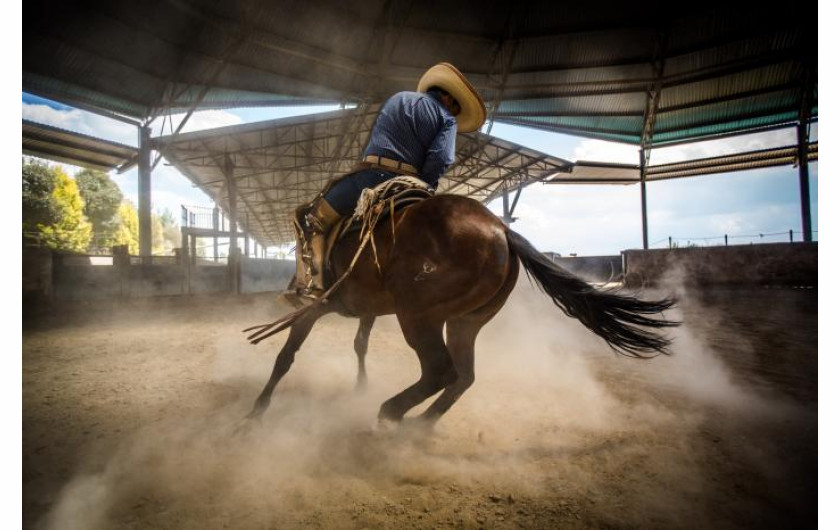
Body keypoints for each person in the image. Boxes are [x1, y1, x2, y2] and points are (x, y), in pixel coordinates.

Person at [291, 62, 486, 300]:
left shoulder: (398, 99)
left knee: (313, 219)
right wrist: (425, 185)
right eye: (455, 109)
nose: (454, 114)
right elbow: (441, 157)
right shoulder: (447, 119)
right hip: (411, 183)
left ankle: (312, 286)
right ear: (448, 100)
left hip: (370, 177)